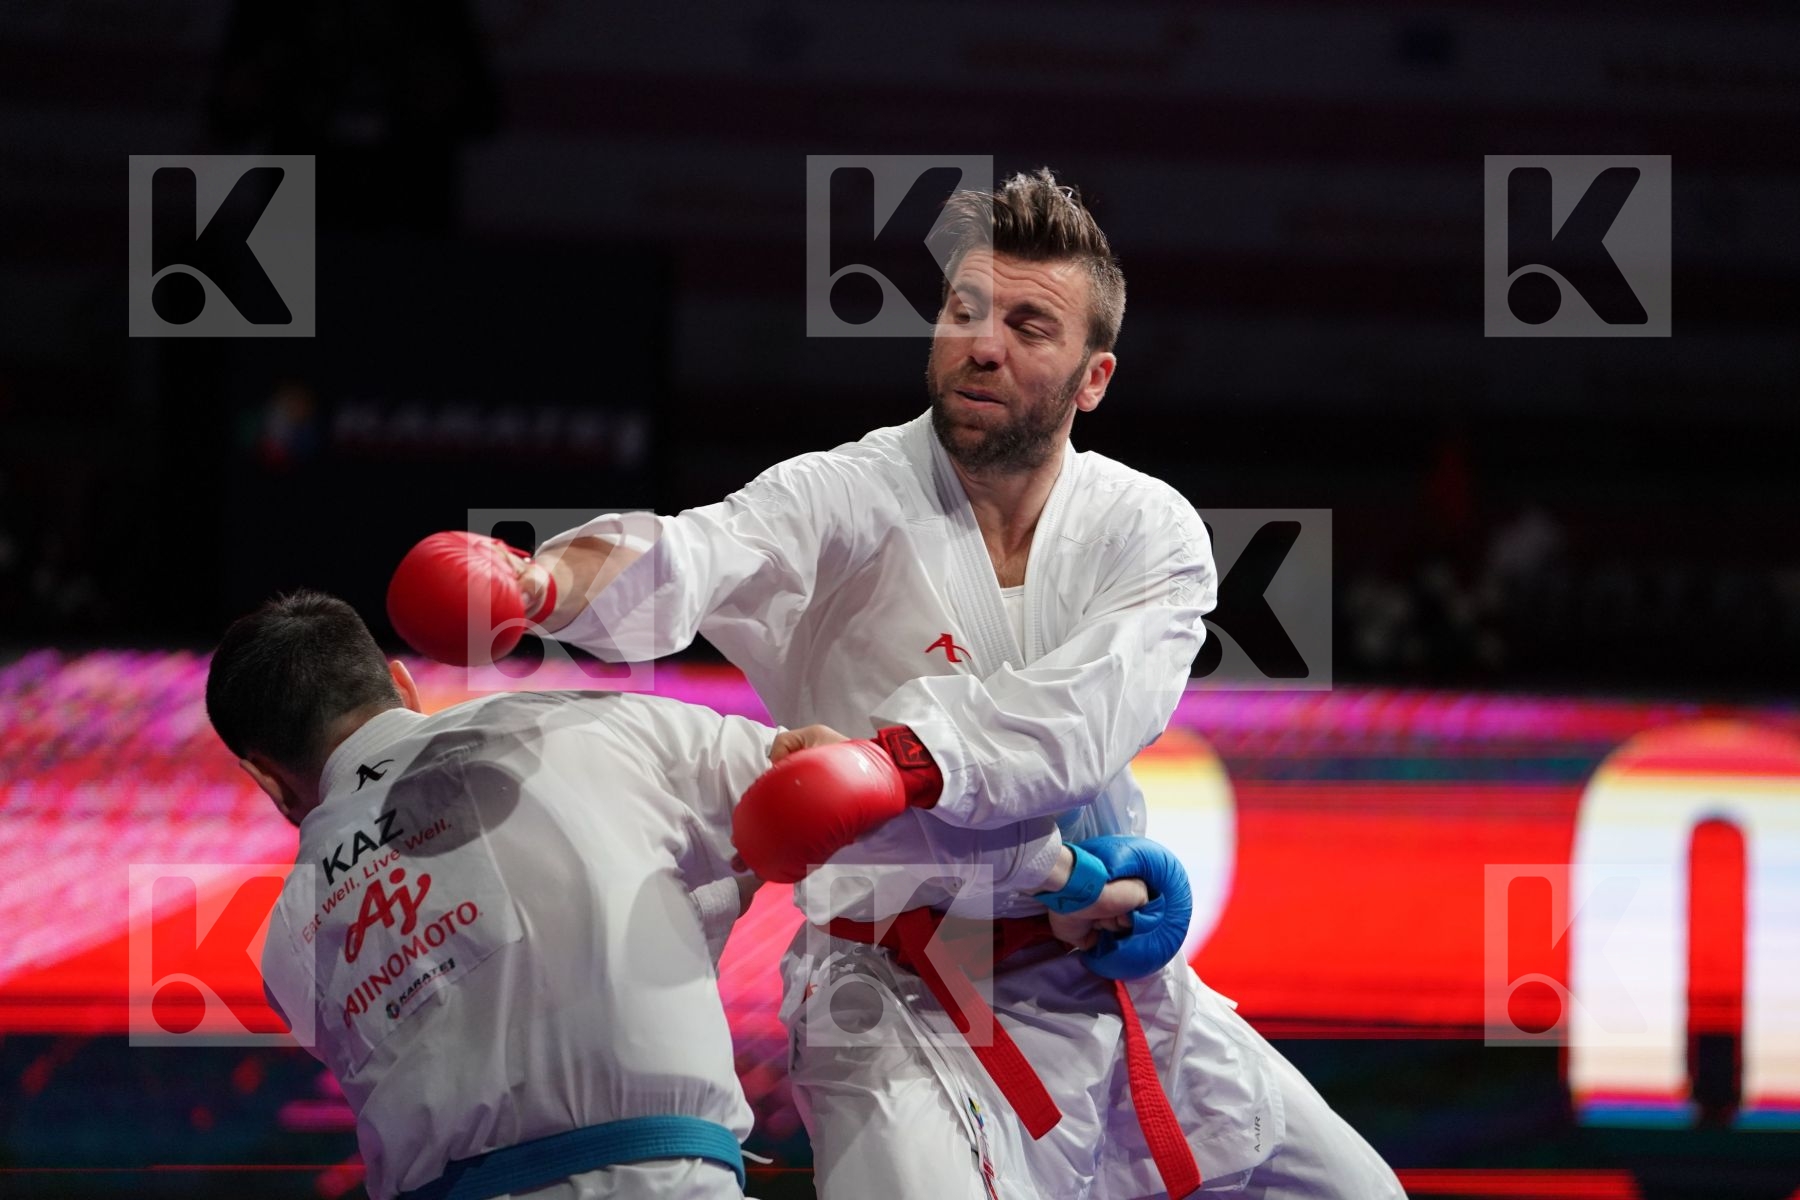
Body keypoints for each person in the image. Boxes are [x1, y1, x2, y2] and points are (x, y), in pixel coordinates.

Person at [390, 170, 1402, 1198]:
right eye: (964, 311)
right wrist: (542, 584)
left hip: (1106, 973)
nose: (983, 343)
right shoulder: (844, 495)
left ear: (1093, 378)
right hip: (894, 996)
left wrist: (898, 766)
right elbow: (697, 553)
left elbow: (1086, 718)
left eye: (1028, 326)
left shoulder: (1149, 530)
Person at [209, 589, 1140, 1200]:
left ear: (265, 779)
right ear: (401, 683)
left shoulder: (288, 947)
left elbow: (478, 1016)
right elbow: (830, 789)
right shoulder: (577, 728)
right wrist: (1069, 880)